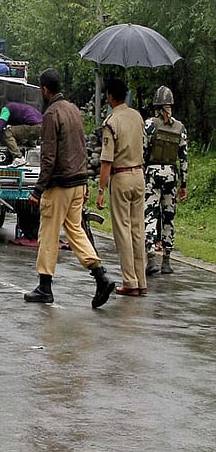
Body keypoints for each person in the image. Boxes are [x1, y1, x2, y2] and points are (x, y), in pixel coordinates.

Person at [23, 69, 116, 308]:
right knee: (75, 230)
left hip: (60, 185)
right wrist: (84, 181)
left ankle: (45, 287)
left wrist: (37, 190)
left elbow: (49, 157)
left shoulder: (52, 114)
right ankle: (100, 276)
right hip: (78, 182)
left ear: (44, 89)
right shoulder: (73, 110)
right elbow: (81, 147)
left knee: (48, 233)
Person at [97, 77, 146, 296]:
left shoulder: (111, 122)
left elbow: (107, 160)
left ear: (110, 96)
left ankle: (130, 281)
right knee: (138, 229)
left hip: (121, 177)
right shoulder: (137, 116)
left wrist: (101, 190)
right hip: (139, 175)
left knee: (123, 230)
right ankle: (141, 280)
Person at [143, 85, 189, 275]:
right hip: (171, 174)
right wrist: (183, 184)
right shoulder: (180, 128)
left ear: (156, 105)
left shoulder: (149, 125)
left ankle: (151, 256)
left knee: (150, 214)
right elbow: (184, 158)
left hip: (152, 173)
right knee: (168, 216)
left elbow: (143, 152)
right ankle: (167, 260)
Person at [0, 101, 43, 167]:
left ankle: (18, 157)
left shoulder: (6, 109)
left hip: (34, 126)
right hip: (41, 127)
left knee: (7, 132)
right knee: (19, 137)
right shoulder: (17, 111)